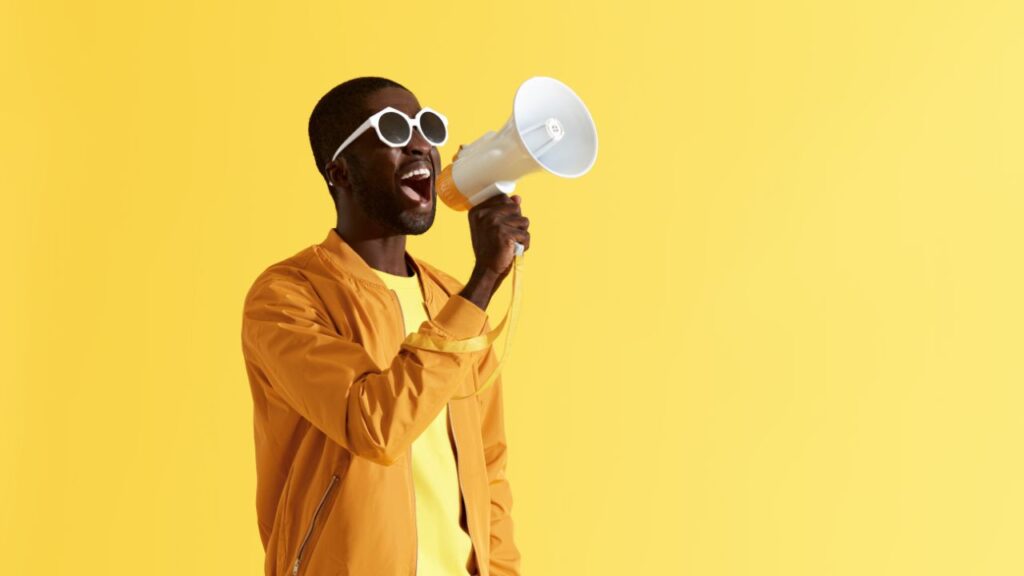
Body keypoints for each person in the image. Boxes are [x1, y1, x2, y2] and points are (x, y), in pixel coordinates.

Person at [241, 76, 527, 576]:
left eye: (425, 126)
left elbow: (489, 468)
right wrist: (483, 281)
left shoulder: (448, 299)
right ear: (341, 172)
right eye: (392, 130)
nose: (420, 144)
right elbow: (373, 426)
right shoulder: (287, 296)